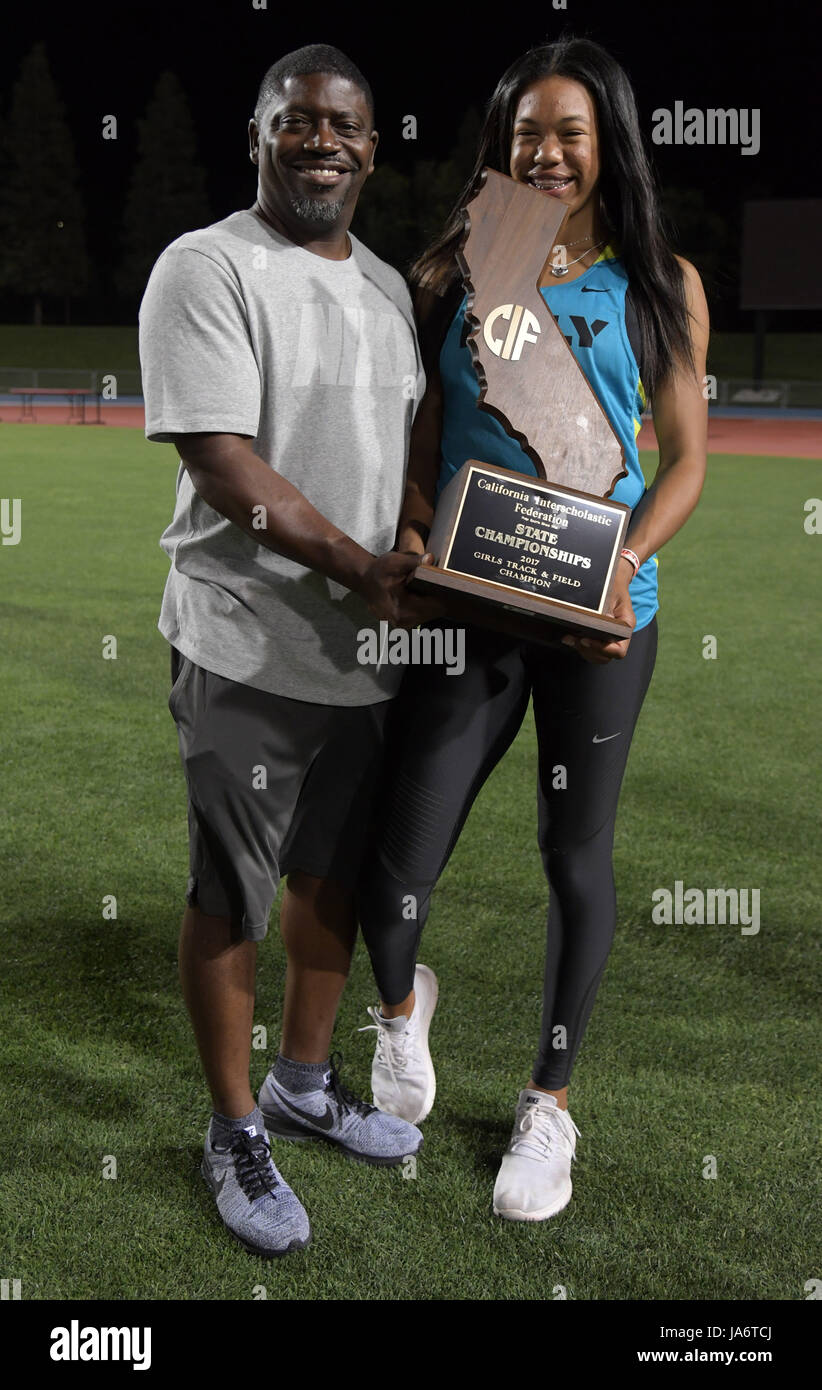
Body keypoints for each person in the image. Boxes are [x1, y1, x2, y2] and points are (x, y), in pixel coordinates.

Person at [357, 36, 709, 1222]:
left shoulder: (662, 280)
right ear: (501, 143)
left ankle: (548, 1101)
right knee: (402, 851)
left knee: (573, 854)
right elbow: (422, 439)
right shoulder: (457, 266)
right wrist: (414, 529)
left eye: (569, 132)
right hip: (467, 603)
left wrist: (626, 568)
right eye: (525, 131)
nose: (545, 152)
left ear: (607, 143)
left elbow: (686, 461)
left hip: (600, 616)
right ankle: (402, 1011)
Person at [138, 44, 439, 1258]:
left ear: (374, 147)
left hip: (364, 656)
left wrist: (412, 545)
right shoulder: (206, 265)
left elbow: (402, 452)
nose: (323, 140)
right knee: (234, 891)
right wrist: (364, 568)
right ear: (257, 134)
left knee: (333, 881)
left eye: (346, 126)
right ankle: (229, 1128)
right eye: (298, 121)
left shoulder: (384, 284)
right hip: (248, 637)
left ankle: (304, 1086)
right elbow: (224, 462)